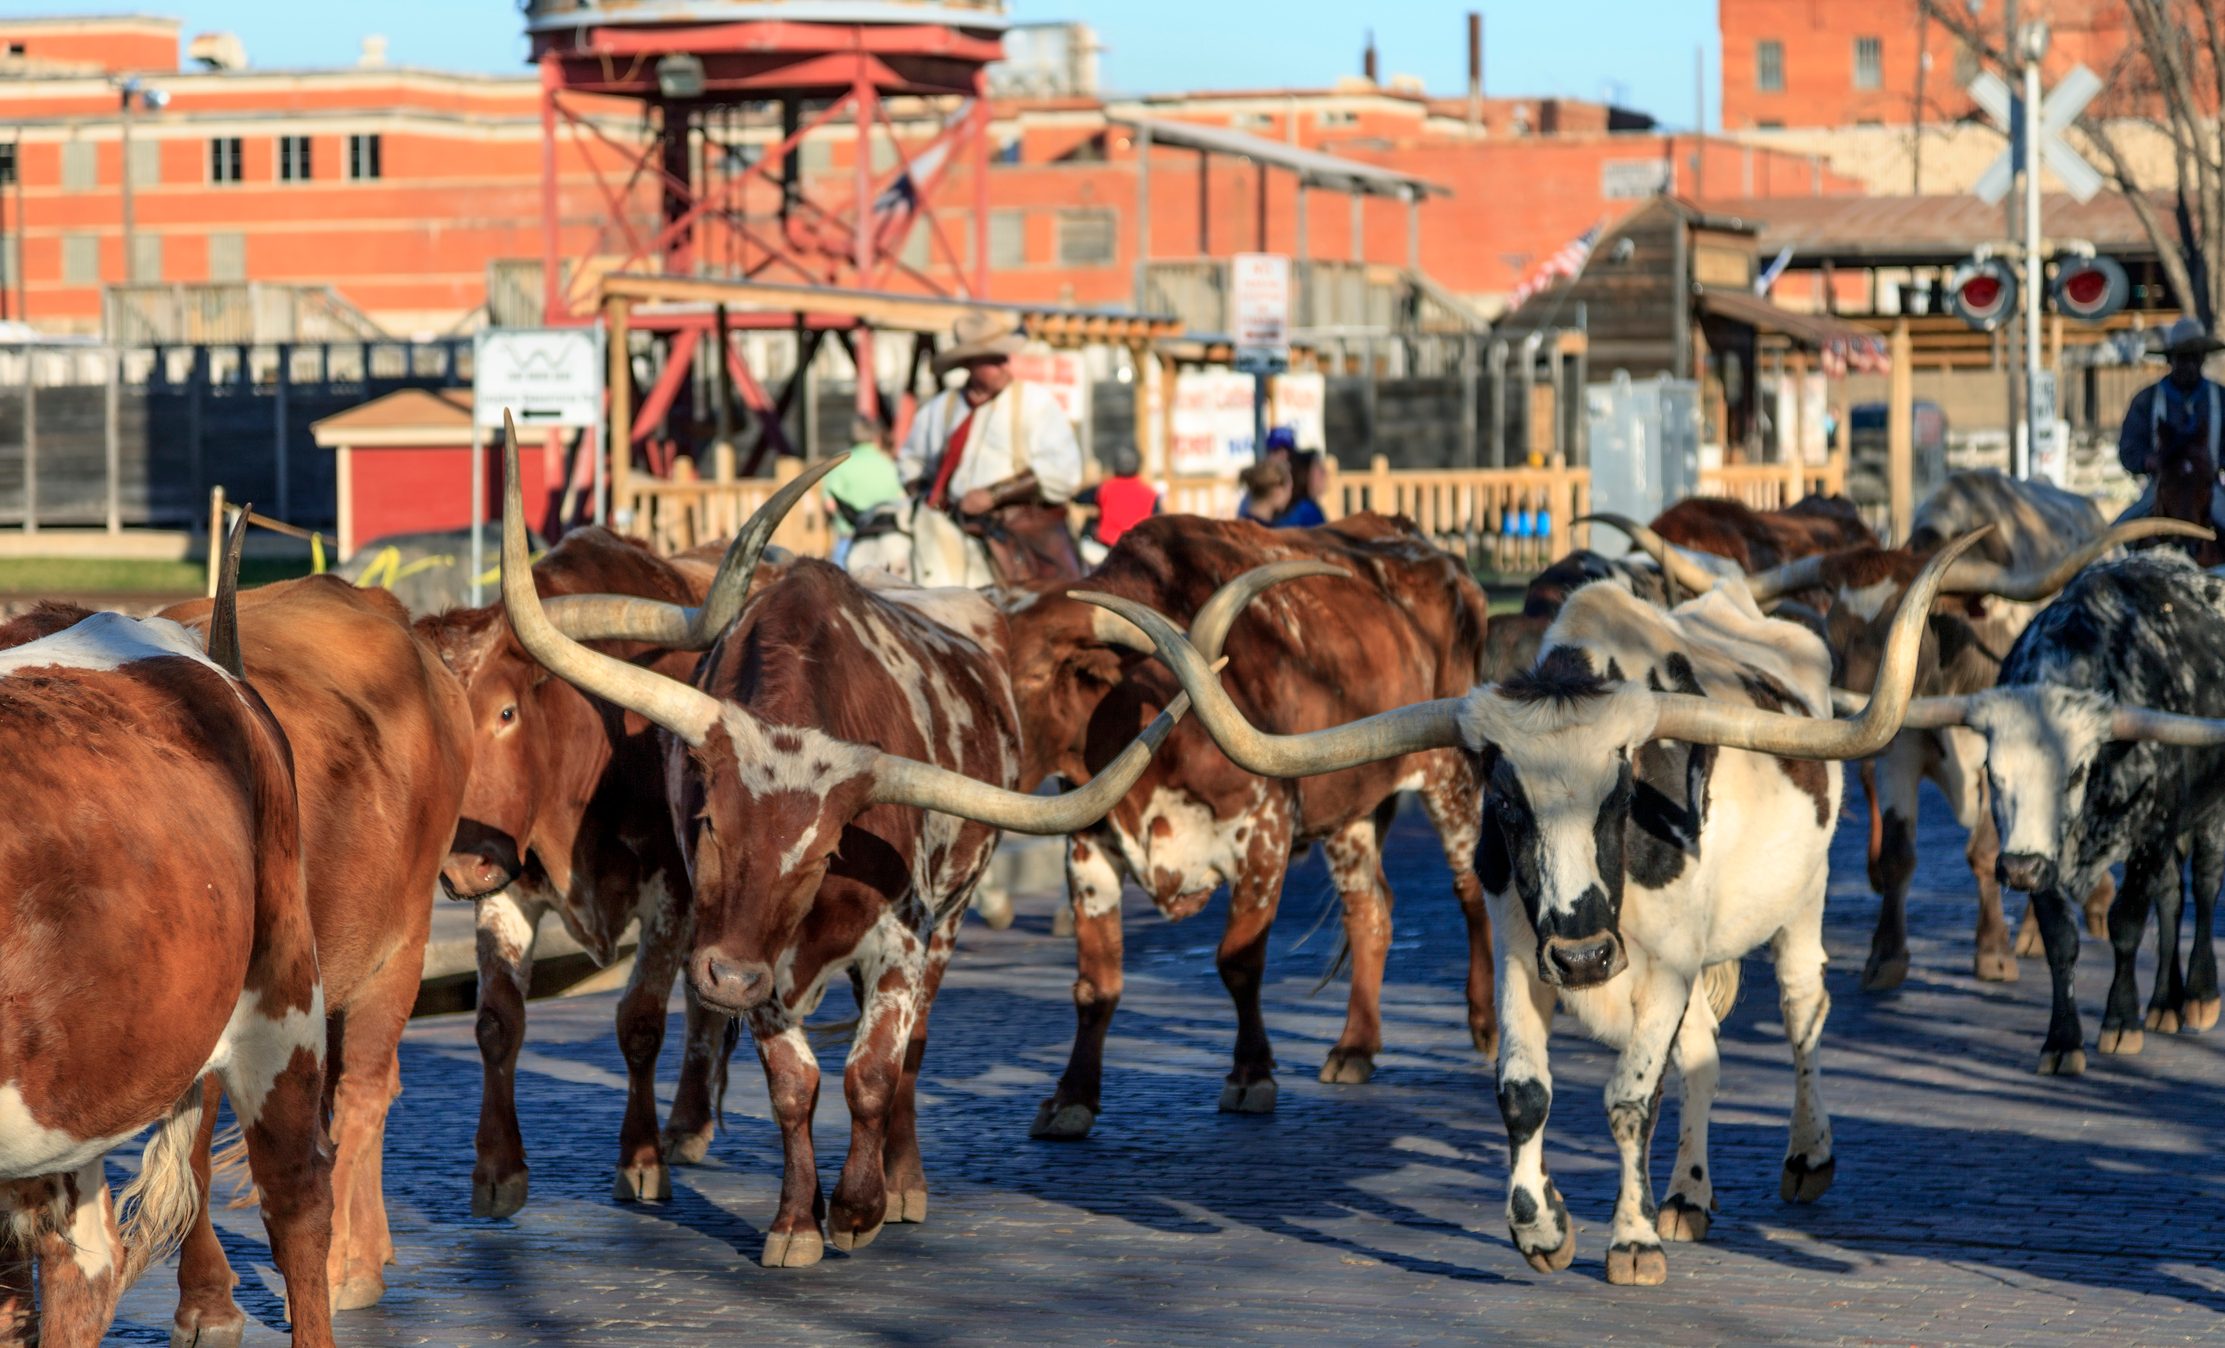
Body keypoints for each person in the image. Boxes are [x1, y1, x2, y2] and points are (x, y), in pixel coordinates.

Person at [897, 310, 1085, 585]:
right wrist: (930, 504)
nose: (1005, 366)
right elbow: (910, 464)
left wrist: (993, 494)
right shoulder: (940, 409)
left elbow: (1064, 473)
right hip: (955, 527)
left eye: (1004, 358)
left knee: (1061, 604)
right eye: (994, 361)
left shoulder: (1035, 402)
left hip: (1026, 529)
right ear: (970, 364)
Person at [2117, 316, 2225, 530]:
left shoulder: (2221, 398)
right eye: (2182, 358)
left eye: (2194, 358)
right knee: (2118, 536)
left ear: (2203, 359)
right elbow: (2128, 449)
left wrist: (2212, 462)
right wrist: (2148, 460)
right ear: (2170, 360)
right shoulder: (2146, 400)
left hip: (2208, 489)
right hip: (2161, 487)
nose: (2189, 365)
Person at [821, 412, 905, 568]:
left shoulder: (840, 463)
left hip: (852, 540)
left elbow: (830, 505)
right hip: (889, 540)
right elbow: (902, 499)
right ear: (875, 437)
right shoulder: (887, 463)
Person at [1073, 442, 1160, 566]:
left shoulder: (1104, 488)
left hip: (1106, 550)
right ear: (1139, 465)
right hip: (1138, 552)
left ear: (1115, 466)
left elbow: (1078, 498)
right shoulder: (1151, 494)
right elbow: (1158, 519)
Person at [1275, 449, 1329, 528]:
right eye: (1319, 469)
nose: (1325, 473)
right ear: (1304, 475)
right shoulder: (1306, 512)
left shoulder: (1294, 509)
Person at [1236, 457, 1291, 526]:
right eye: (1289, 489)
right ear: (1277, 491)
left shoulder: (1238, 527)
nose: (1289, 496)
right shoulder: (1272, 532)